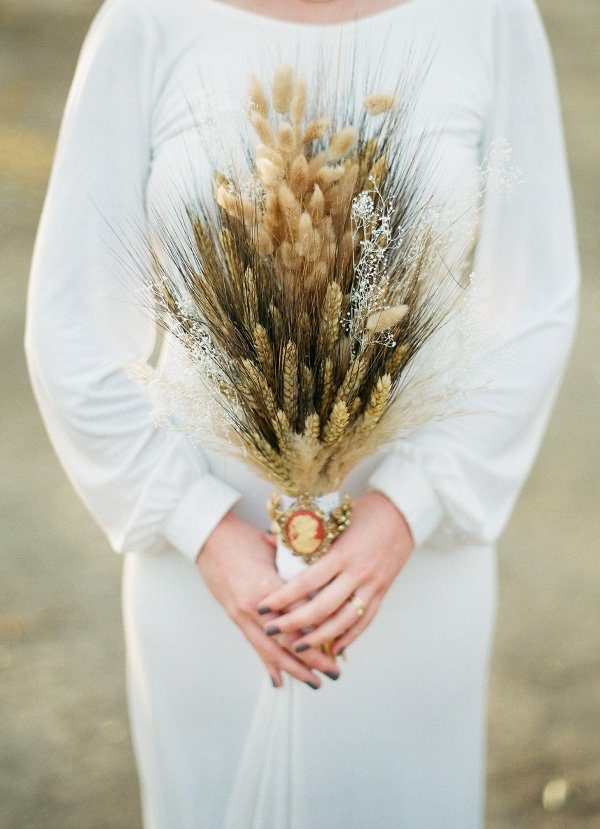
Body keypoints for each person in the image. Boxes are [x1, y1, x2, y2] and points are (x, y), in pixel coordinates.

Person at [24, 0, 579, 826]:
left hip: (415, 564)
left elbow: (532, 301)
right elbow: (70, 323)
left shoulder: (490, 17)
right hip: (205, 570)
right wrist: (199, 524)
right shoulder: (146, 22)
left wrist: (406, 509)